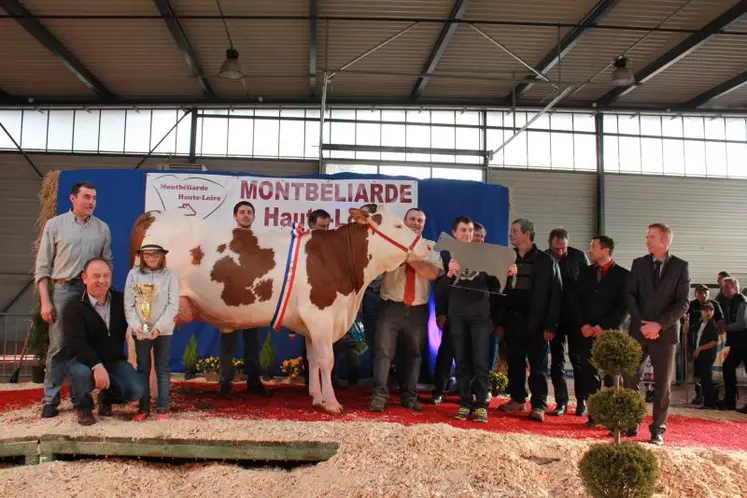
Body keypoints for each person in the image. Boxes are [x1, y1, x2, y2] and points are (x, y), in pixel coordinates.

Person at [34, 181, 112, 419]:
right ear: (72, 199)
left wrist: (104, 293)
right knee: (58, 347)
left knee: (89, 345)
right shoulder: (55, 225)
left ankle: (82, 399)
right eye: (87, 197)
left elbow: (107, 263)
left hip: (91, 293)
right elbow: (42, 267)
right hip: (62, 290)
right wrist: (46, 301)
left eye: (94, 198)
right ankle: (50, 399)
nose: (91, 202)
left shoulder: (102, 229)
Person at [624, 223, 690, 446]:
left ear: (665, 240)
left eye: (651, 236)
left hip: (666, 332)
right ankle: (631, 423)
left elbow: (683, 303)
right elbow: (630, 296)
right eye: (647, 236)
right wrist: (643, 324)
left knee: (663, 385)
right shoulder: (639, 264)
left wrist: (658, 325)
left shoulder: (681, 266)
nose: (647, 240)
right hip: (639, 330)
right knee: (630, 379)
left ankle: (657, 431)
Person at [370, 208, 442, 412]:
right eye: (412, 219)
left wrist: (408, 256)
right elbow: (381, 267)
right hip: (390, 306)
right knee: (383, 352)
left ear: (424, 224)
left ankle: (409, 396)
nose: (416, 223)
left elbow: (432, 272)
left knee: (414, 354)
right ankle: (379, 395)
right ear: (404, 221)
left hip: (417, 310)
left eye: (420, 220)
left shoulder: (431, 247)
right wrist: (416, 258)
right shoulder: (390, 245)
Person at [437, 217, 501, 423]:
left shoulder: (485, 254)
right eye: (463, 230)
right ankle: (465, 402)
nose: (468, 234)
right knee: (462, 361)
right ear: (454, 233)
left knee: (481, 360)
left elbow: (495, 286)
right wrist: (449, 274)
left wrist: (504, 273)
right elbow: (439, 290)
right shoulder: (446, 255)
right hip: (457, 315)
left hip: (480, 316)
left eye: (471, 230)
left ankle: (481, 404)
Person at [64, 258, 142, 425]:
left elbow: (137, 321)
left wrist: (147, 328)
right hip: (83, 362)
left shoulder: (122, 301)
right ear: (85, 278)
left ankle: (105, 399)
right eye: (96, 276)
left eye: (106, 276)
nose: (102, 281)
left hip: (114, 361)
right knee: (82, 374)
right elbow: (75, 343)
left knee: (136, 390)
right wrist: (96, 365)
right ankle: (83, 407)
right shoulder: (73, 306)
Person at [497, 218, 561, 422]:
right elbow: (498, 290)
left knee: (538, 366)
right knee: (515, 362)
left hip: (538, 323)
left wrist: (551, 325)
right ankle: (517, 399)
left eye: (514, 231)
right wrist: (499, 321)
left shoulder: (546, 260)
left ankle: (539, 405)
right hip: (513, 320)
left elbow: (555, 296)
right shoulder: (507, 258)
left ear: (527, 234)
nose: (511, 234)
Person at [574, 236, 629, 426]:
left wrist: (604, 327)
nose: (590, 250)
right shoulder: (584, 273)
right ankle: (594, 414)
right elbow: (576, 301)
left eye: (593, 247)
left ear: (605, 250)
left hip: (610, 334)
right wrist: (583, 325)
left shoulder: (623, 275)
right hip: (586, 332)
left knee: (611, 376)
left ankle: (612, 417)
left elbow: (624, 307)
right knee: (588, 374)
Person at [218, 201, 270, 398]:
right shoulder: (226, 240)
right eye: (242, 212)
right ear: (235, 216)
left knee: (252, 343)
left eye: (249, 212)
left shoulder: (259, 240)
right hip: (230, 298)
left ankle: (254, 382)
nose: (246, 215)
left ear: (253, 217)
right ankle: (224, 384)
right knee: (228, 343)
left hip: (250, 299)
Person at [125, 243, 179, 421]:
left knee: (162, 367)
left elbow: (173, 306)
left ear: (162, 256)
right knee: (143, 369)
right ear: (141, 256)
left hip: (163, 331)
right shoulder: (133, 275)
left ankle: (163, 409)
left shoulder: (170, 275)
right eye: (147, 255)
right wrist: (136, 326)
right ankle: (143, 408)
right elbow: (129, 305)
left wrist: (159, 328)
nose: (151, 258)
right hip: (140, 331)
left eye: (155, 255)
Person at [545, 228, 590, 417]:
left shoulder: (579, 257)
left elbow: (588, 286)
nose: (560, 252)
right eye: (557, 248)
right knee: (557, 361)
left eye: (563, 248)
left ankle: (582, 400)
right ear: (550, 244)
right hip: (555, 317)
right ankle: (561, 401)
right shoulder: (544, 258)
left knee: (578, 359)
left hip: (576, 317)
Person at [718, 277, 747, 412]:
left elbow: (742, 324)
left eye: (726, 286)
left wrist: (726, 327)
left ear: (735, 287)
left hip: (744, 341)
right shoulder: (728, 301)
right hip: (734, 342)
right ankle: (730, 400)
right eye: (723, 286)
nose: (723, 289)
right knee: (727, 367)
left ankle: (731, 400)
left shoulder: (742, 301)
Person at [691, 302, 719, 409]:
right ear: (702, 312)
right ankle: (707, 401)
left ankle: (710, 403)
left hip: (707, 355)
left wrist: (699, 349)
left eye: (711, 310)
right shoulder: (701, 323)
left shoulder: (712, 324)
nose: (708, 312)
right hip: (701, 355)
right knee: (704, 379)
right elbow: (688, 330)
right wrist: (687, 320)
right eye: (706, 310)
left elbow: (714, 342)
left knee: (707, 379)